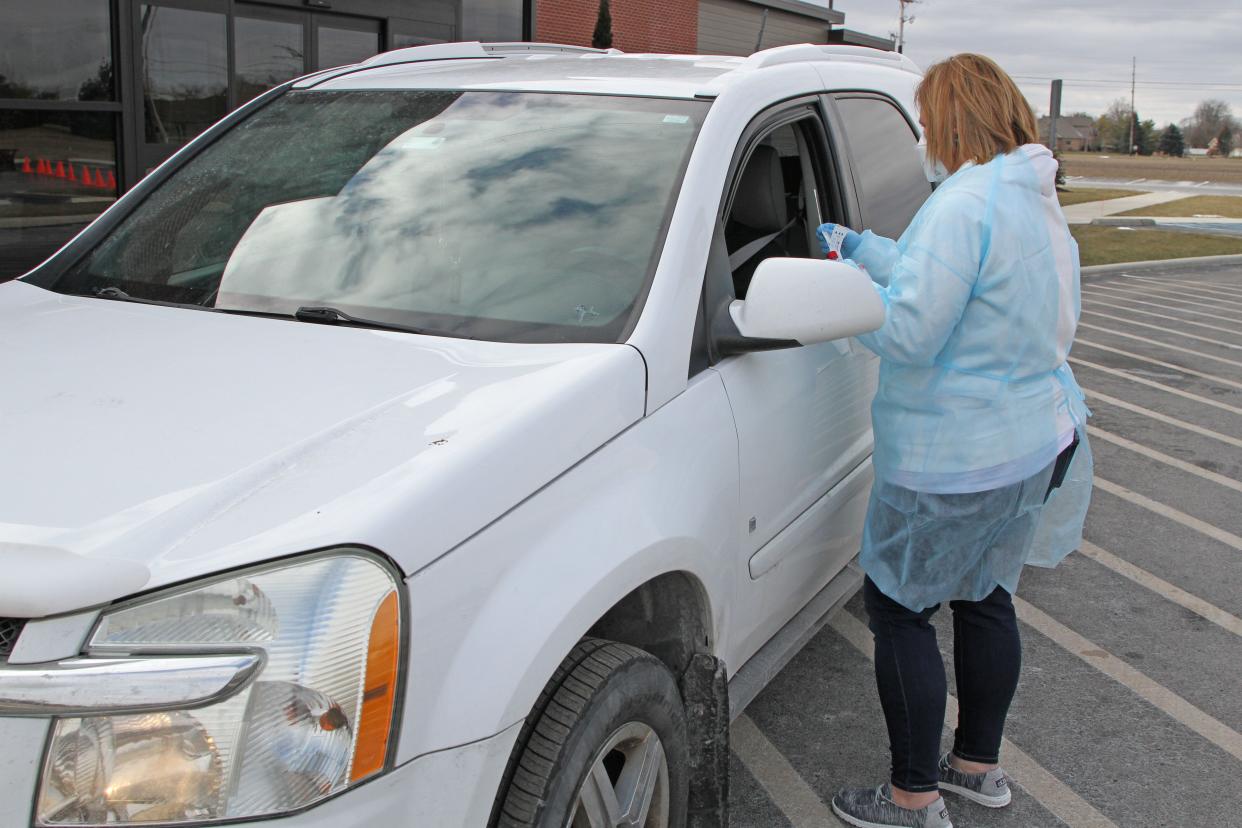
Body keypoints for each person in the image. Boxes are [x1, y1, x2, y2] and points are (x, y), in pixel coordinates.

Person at [817, 53, 1094, 828]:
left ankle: (912, 799)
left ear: (951, 119)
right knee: (984, 597)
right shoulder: (1026, 194)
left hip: (956, 454)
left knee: (899, 609)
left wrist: (849, 289)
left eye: (928, 120)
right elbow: (966, 288)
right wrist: (872, 252)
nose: (924, 136)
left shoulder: (963, 202)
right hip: (1032, 437)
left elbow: (908, 328)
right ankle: (977, 769)